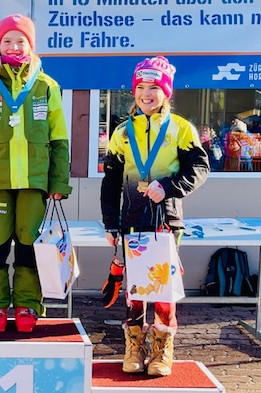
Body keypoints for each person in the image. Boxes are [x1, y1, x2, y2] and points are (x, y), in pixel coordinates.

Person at [0, 14, 71, 333]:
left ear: (31, 45)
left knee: (29, 246)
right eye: (7, 40)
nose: (14, 46)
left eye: (21, 40)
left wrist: (58, 182)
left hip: (35, 184)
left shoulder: (47, 86)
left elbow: (59, 140)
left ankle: (28, 304)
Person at [100, 56, 209, 376]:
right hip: (132, 220)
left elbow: (199, 168)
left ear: (166, 93)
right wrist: (110, 222)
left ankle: (162, 348)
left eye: (154, 88)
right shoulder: (122, 132)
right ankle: (134, 346)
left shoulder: (180, 129)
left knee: (162, 290)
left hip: (165, 221)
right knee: (135, 291)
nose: (146, 94)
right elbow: (111, 181)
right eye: (141, 87)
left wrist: (170, 187)